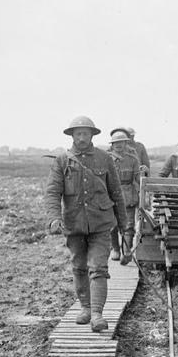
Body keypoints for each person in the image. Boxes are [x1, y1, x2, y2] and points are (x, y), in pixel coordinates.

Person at [45, 116, 128, 332]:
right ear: (72, 135)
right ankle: (86, 308)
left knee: (98, 267)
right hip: (74, 225)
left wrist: (123, 222)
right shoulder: (62, 161)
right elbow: (53, 192)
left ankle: (98, 314)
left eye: (86, 133)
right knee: (79, 267)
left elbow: (116, 192)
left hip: (101, 224)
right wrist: (55, 217)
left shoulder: (104, 159)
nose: (82, 138)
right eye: (78, 134)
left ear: (92, 135)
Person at [108, 130, 141, 261]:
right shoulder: (107, 159)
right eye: (115, 143)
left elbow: (138, 178)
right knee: (112, 224)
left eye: (121, 142)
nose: (118, 145)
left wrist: (144, 176)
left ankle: (126, 250)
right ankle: (115, 249)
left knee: (129, 224)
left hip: (128, 194)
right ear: (112, 145)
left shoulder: (132, 159)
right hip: (110, 195)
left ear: (126, 143)